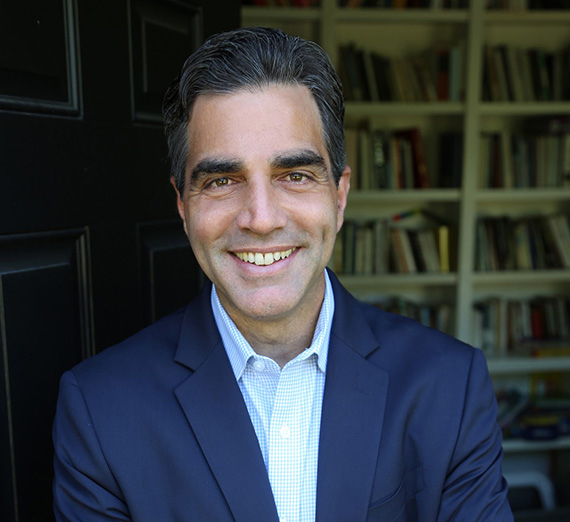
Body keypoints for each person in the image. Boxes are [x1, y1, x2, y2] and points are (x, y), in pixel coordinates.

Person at [52, 27, 513, 521]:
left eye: (294, 175)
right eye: (222, 180)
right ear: (183, 206)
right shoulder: (100, 409)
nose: (262, 217)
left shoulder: (450, 385)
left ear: (338, 196)